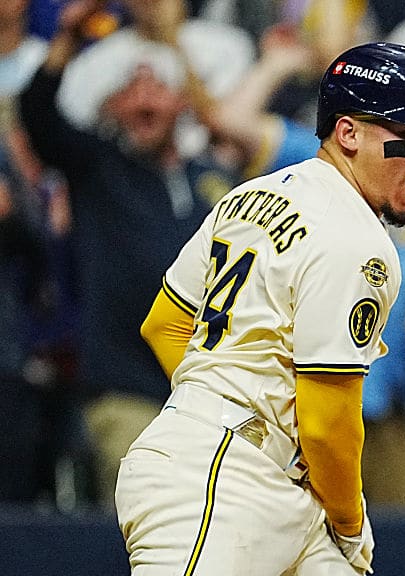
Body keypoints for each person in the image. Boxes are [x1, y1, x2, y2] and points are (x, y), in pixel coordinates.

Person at [114, 41, 405, 574]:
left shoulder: (248, 195)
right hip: (222, 480)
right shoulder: (358, 239)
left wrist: (207, 401)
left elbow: (166, 323)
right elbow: (327, 421)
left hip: (263, 471)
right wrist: (349, 521)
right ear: (348, 133)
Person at [18, 0, 237, 506]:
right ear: (111, 108)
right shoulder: (98, 167)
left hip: (210, 395)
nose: (143, 100)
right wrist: (68, 40)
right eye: (130, 90)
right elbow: (37, 115)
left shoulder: (213, 179)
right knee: (148, 506)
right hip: (125, 390)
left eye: (155, 88)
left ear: (181, 104)